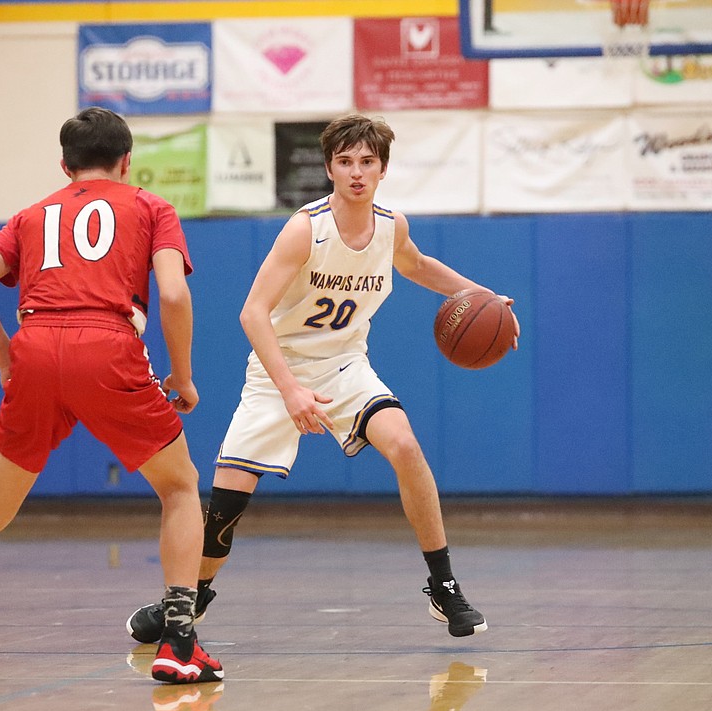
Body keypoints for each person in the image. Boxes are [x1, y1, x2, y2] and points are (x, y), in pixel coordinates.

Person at [126, 114, 518, 645]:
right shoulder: (306, 228)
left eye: (367, 162)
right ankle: (191, 598)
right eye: (345, 162)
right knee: (223, 510)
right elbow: (251, 313)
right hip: (276, 371)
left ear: (382, 169)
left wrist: (486, 297)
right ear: (329, 168)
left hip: (345, 366)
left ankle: (443, 584)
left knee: (404, 445)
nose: (357, 172)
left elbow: (419, 265)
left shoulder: (390, 226)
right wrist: (289, 389)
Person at [0, 107, 222, 686]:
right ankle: (179, 640)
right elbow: (172, 294)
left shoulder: (31, 215)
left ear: (65, 166)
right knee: (180, 487)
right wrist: (184, 376)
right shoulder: (150, 207)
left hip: (36, 345)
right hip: (108, 344)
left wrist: (4, 355)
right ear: (127, 160)